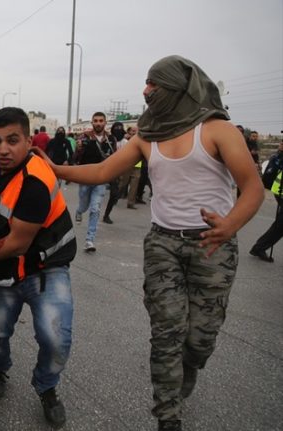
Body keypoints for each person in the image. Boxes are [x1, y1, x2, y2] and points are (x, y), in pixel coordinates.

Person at [34, 55, 263, 431]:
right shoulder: (147, 136)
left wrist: (230, 225)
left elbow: (252, 188)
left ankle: (190, 365)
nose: (145, 90)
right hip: (162, 245)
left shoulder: (218, 130)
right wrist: (54, 168)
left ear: (177, 87)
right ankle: (167, 416)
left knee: (200, 340)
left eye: (154, 84)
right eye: (146, 82)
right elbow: (102, 170)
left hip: (213, 245)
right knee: (166, 333)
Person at [0, 107, 76, 428]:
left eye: (12, 140)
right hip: (6, 267)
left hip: (44, 267)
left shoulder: (36, 180)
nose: (3, 149)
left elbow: (17, 244)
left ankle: (47, 387)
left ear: (29, 140)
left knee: (56, 339)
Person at [70, 112, 114, 252]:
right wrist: (79, 148)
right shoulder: (84, 136)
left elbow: (115, 157)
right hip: (85, 177)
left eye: (101, 121)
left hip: (101, 179)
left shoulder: (110, 139)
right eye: (96, 120)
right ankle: (79, 211)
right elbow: (76, 156)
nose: (98, 123)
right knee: (84, 205)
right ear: (92, 122)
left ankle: (90, 240)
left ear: (105, 122)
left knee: (95, 208)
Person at [250, 140, 283, 262]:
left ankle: (259, 247)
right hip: (280, 191)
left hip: (279, 191)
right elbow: (269, 175)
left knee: (281, 224)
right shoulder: (277, 157)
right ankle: (259, 247)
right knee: (280, 225)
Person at [102, 121, 128, 224]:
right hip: (105, 167)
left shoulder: (126, 142)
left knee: (114, 194)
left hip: (117, 170)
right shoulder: (108, 139)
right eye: (116, 128)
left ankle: (106, 215)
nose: (118, 130)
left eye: (120, 128)